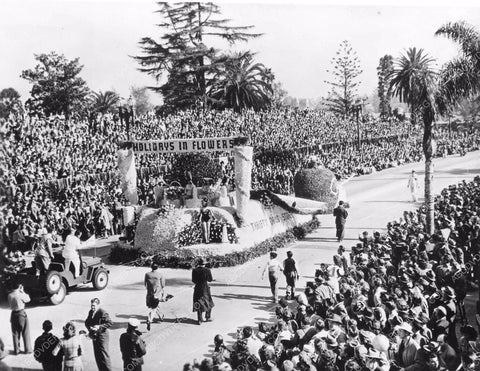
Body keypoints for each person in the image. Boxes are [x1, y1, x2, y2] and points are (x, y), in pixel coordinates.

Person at [85, 298, 112, 371]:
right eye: (91, 305)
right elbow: (87, 322)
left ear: (98, 305)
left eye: (94, 306)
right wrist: (90, 328)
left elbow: (109, 323)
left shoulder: (103, 312)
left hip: (102, 337)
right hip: (95, 336)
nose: (92, 307)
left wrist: (99, 327)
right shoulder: (91, 312)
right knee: (97, 355)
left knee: (104, 355)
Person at [8, 282, 32, 355]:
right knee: (25, 332)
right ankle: (27, 349)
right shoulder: (20, 294)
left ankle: (16, 350)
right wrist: (23, 291)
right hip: (21, 313)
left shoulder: (10, 295)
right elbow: (28, 299)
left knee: (15, 333)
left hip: (13, 314)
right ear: (19, 287)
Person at [192, 258, 214, 325]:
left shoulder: (194, 270)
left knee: (198, 302)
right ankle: (208, 317)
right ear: (204, 264)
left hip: (197, 288)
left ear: (198, 263)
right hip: (205, 288)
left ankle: (199, 319)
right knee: (209, 302)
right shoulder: (207, 270)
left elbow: (194, 280)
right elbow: (210, 280)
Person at [144, 262, 165, 331]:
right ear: (157, 267)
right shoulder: (160, 274)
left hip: (149, 294)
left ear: (151, 267)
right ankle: (149, 320)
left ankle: (161, 316)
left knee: (155, 306)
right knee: (154, 308)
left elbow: (145, 284)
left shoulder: (147, 274)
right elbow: (163, 285)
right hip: (157, 294)